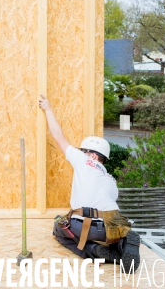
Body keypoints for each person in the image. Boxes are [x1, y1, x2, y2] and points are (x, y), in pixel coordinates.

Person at [38, 95, 141, 271]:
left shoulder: (84, 161)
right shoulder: (111, 179)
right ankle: (122, 243)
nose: (82, 153)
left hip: (85, 226)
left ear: (93, 155)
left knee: (60, 229)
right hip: (114, 226)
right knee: (109, 229)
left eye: (84, 151)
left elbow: (58, 136)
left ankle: (95, 251)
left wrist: (47, 108)